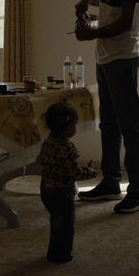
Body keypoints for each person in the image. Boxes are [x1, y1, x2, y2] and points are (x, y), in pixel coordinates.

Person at [74, 0, 139, 214]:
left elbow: (125, 22)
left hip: (123, 59)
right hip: (105, 59)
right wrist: (89, 0)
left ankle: (138, 190)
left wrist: (91, 33)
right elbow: (111, 1)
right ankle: (111, 182)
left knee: (130, 126)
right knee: (109, 126)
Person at [37, 102, 98, 263]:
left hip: (46, 188)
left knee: (56, 219)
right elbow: (71, 173)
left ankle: (53, 251)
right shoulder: (67, 148)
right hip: (62, 191)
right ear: (68, 128)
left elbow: (45, 163)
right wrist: (88, 173)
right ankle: (61, 254)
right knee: (65, 225)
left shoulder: (47, 143)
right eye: (74, 125)